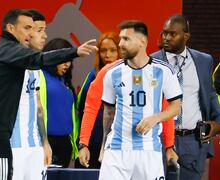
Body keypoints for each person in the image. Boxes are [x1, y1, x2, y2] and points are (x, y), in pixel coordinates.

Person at [0, 9, 97, 180]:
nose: (31, 34)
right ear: (10, 28)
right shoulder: (13, 53)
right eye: (27, 28)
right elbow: (40, 59)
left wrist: (44, 143)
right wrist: (74, 52)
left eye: (34, 29)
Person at [99, 20, 182, 180]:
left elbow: (176, 106)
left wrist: (155, 118)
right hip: (116, 149)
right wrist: (103, 147)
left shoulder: (163, 71)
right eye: (121, 39)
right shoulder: (112, 73)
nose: (121, 44)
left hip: (149, 150)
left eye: (126, 39)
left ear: (142, 42)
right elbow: (108, 112)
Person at [151, 14, 220, 180]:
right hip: (159, 141)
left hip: (193, 141)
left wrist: (218, 123)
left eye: (172, 34)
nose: (166, 38)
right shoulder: (152, 62)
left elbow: (210, 94)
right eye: (164, 33)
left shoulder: (204, 61)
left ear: (186, 36)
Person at [9, 9, 51, 180]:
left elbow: (38, 107)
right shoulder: (8, 65)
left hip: (35, 147)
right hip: (12, 147)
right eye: (38, 30)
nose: (44, 36)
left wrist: (45, 143)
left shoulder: (36, 69)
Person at [76, 32, 121, 168]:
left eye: (113, 50)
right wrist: (83, 143)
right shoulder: (92, 76)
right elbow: (84, 109)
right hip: (92, 140)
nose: (107, 55)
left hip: (115, 143)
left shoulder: (127, 75)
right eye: (103, 51)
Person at [39, 38, 78, 168]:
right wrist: (44, 143)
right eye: (63, 60)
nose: (67, 64)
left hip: (65, 144)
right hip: (46, 142)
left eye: (69, 60)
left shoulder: (65, 80)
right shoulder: (39, 75)